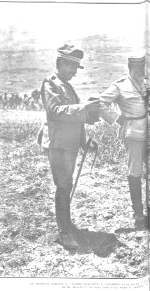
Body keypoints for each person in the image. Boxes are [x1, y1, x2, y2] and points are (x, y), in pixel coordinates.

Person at [40, 43, 101, 249]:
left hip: (70, 146)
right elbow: (56, 111)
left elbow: (77, 119)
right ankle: (65, 233)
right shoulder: (51, 84)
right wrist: (83, 108)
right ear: (61, 63)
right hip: (58, 146)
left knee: (66, 186)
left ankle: (66, 223)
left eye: (76, 68)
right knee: (64, 186)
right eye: (72, 67)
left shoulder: (68, 87)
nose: (74, 72)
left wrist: (84, 142)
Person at [98, 54, 150, 229]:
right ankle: (138, 213)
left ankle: (148, 208)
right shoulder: (120, 85)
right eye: (137, 69)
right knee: (135, 171)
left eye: (142, 69)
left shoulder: (144, 83)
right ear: (130, 68)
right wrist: (117, 118)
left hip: (148, 132)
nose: (141, 72)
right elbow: (100, 102)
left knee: (148, 171)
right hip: (133, 133)